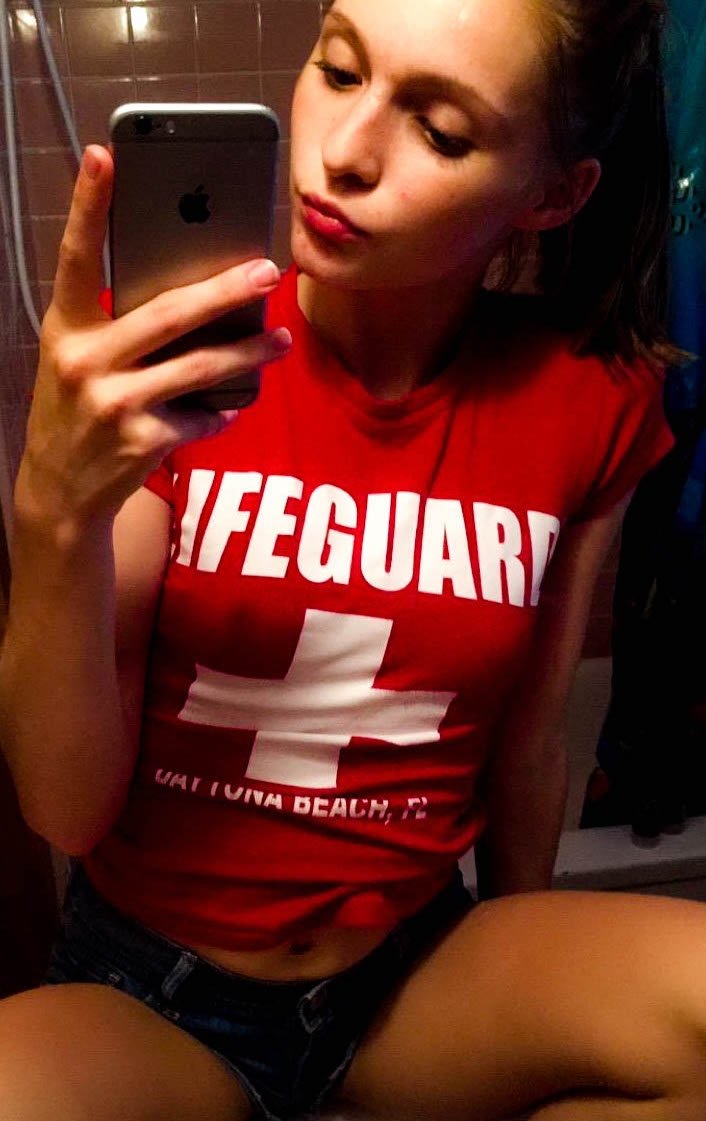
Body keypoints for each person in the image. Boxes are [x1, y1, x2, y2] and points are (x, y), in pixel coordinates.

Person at [1, 0, 706, 1119]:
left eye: (440, 131)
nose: (343, 153)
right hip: (154, 989)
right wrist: (54, 512)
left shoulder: (591, 398)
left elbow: (530, 738)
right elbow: (64, 810)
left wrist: (524, 976)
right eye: (338, 70)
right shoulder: (164, 364)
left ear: (553, 195)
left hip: (410, 979)